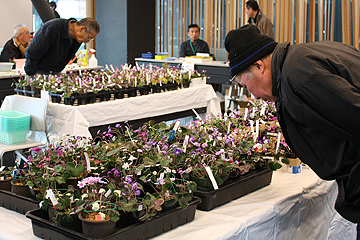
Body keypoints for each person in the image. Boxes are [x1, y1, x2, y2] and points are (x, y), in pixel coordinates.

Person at [225, 24, 360, 237]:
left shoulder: (298, 77)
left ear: (259, 66)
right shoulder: (304, 56)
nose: (251, 95)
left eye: (245, 86)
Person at [25, 17, 100, 76]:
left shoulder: (77, 38)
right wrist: (31, 73)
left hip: (55, 73)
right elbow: (33, 52)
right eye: (89, 37)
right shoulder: (53, 28)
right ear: (82, 29)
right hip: (38, 72)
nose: (88, 41)